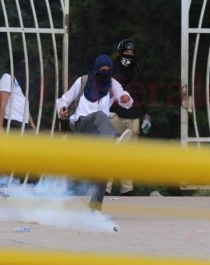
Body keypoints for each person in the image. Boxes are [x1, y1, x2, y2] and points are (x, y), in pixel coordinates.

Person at [56, 54, 133, 213]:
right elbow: (63, 100)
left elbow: (123, 95)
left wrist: (126, 99)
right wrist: (62, 108)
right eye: (102, 69)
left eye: (108, 70)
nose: (105, 72)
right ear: (96, 69)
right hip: (81, 125)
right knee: (100, 115)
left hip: (99, 133)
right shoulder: (83, 81)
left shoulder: (112, 83)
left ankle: (95, 207)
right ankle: (116, 140)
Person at [106, 38, 150, 196]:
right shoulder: (111, 67)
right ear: (119, 52)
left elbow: (142, 91)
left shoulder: (136, 68)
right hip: (114, 114)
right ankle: (106, 187)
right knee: (110, 151)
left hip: (133, 116)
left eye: (132, 53)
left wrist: (146, 114)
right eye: (126, 52)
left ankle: (127, 188)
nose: (129, 55)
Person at [0, 50, 36, 133]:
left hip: (24, 122)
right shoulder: (7, 77)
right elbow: (2, 103)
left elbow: (23, 102)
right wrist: (0, 127)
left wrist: (31, 123)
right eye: (23, 62)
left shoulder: (22, 81)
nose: (25, 65)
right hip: (12, 121)